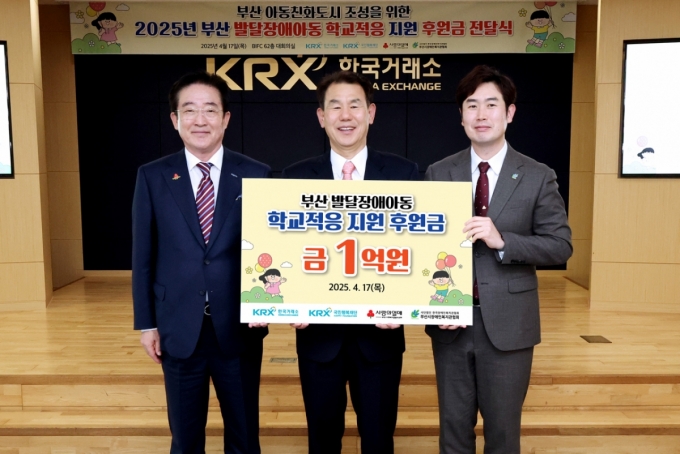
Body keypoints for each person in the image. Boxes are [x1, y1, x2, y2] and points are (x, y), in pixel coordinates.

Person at [424, 65, 572, 454]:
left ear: (510, 113)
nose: (481, 114)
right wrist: (429, 305)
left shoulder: (538, 175)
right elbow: (424, 248)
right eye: (471, 105)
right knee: (453, 431)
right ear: (461, 116)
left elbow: (560, 245)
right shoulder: (439, 172)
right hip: (450, 323)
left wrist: (502, 240)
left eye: (491, 104)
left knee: (503, 434)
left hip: (509, 325)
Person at [132, 71, 270, 454]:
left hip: (239, 327)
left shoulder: (256, 174)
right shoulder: (153, 176)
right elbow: (143, 257)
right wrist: (147, 324)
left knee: (244, 437)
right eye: (189, 110)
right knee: (185, 439)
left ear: (226, 118)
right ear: (174, 119)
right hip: (178, 328)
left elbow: (269, 250)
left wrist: (268, 304)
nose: (200, 120)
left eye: (210, 110)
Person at [281, 70, 419, 454]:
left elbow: (415, 249)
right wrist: (287, 300)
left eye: (355, 105)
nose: (346, 115)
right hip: (318, 338)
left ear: (370, 113)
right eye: (335, 106)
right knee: (322, 442)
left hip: (380, 337)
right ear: (321, 116)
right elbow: (285, 253)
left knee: (378, 441)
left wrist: (404, 303)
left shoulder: (404, 174)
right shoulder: (294, 178)